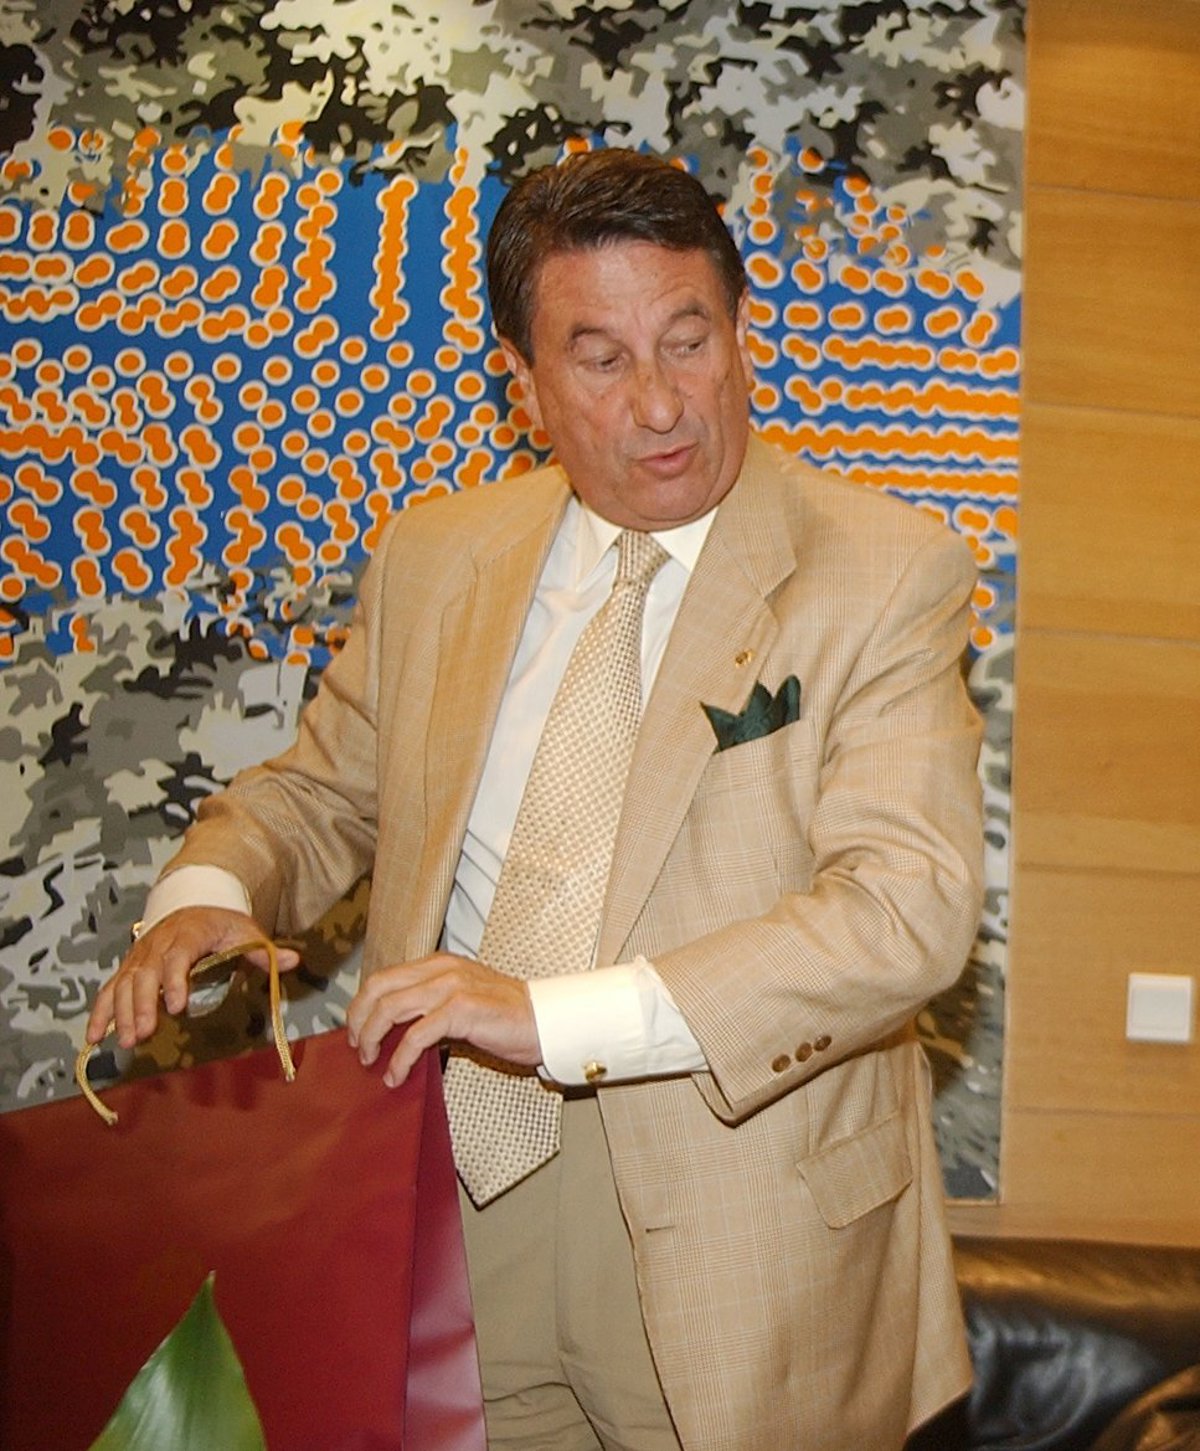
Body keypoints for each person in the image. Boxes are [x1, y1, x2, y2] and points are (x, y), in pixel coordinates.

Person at [88, 148, 983, 1451]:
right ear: (522, 384)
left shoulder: (884, 570)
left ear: (742, 334)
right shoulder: (439, 555)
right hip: (450, 1191)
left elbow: (906, 912)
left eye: (689, 341)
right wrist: (209, 891)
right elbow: (322, 792)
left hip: (743, 1224)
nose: (662, 403)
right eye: (601, 360)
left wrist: (546, 1017)